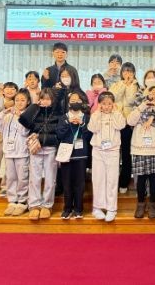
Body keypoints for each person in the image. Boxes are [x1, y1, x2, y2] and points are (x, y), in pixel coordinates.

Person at [19, 88, 62, 220]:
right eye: (42, 98)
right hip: (35, 149)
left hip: (50, 149)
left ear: (53, 100)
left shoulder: (58, 113)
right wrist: (34, 106)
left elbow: (59, 134)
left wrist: (42, 139)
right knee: (35, 177)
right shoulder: (35, 111)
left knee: (50, 179)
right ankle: (34, 205)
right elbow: (23, 120)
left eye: (48, 99)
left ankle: (47, 205)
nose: (45, 101)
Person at [128, 86, 155, 219]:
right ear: (147, 94)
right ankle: (140, 203)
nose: (154, 95)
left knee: (153, 177)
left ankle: (152, 204)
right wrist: (144, 105)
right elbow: (130, 121)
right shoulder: (139, 106)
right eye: (152, 93)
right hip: (140, 147)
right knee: (140, 177)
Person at [0, 89, 31, 216]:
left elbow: (25, 132)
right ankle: (12, 201)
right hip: (9, 152)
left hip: (22, 153)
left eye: (23, 100)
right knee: (11, 177)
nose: (19, 102)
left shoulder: (28, 116)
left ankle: (22, 202)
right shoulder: (8, 115)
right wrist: (4, 112)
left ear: (28, 102)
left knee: (22, 178)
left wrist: (20, 117)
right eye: (17, 100)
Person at [88, 92, 126, 222]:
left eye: (109, 104)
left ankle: (111, 208)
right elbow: (92, 128)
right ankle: (97, 207)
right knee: (98, 179)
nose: (107, 106)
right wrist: (98, 113)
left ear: (113, 104)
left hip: (113, 151)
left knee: (112, 180)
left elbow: (120, 125)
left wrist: (115, 112)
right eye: (104, 104)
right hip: (98, 151)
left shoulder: (117, 114)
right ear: (99, 104)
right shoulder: (95, 115)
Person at [56, 90, 92, 220]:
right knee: (67, 183)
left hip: (81, 155)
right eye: (73, 101)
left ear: (82, 102)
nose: (75, 102)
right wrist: (69, 123)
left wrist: (82, 125)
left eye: (78, 101)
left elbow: (89, 136)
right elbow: (59, 135)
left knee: (80, 184)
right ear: (68, 103)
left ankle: (78, 209)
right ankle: (67, 209)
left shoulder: (86, 117)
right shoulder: (64, 118)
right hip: (66, 155)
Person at [110, 62, 140, 193]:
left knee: (127, 154)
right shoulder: (116, 84)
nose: (127, 74)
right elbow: (114, 97)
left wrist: (130, 86)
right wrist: (123, 84)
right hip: (115, 122)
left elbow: (131, 100)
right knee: (114, 154)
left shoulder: (137, 86)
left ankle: (124, 182)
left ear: (134, 73)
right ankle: (112, 182)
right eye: (125, 71)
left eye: (130, 71)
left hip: (128, 124)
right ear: (121, 73)